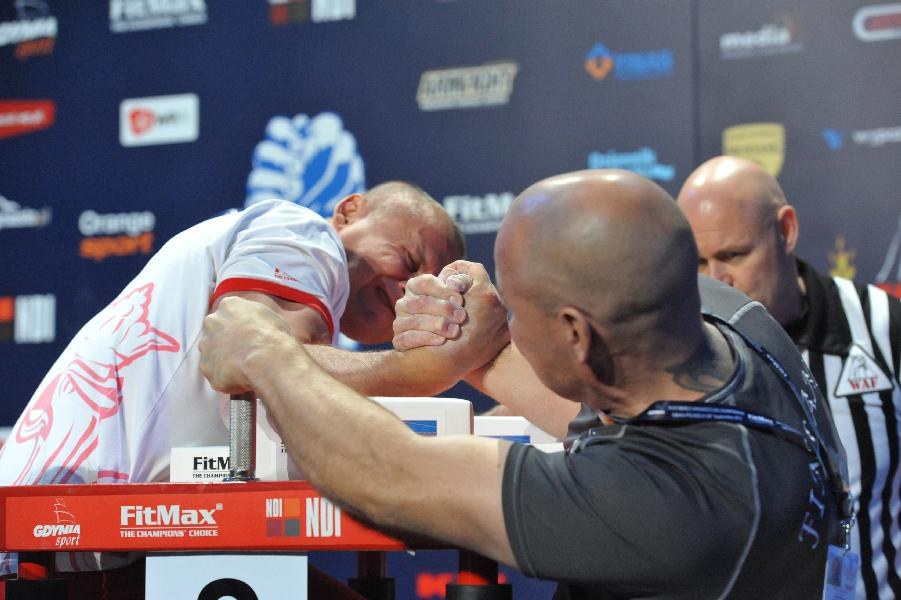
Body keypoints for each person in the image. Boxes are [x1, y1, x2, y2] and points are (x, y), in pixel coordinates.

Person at [200, 169, 849, 598]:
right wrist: (474, 347)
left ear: (576, 334)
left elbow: (389, 475)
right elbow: (616, 399)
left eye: (517, 310)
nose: (507, 319)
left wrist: (266, 355)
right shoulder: (743, 324)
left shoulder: (660, 507)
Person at [0, 180, 465, 581]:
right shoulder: (302, 232)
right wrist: (422, 372)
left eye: (429, 288)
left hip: (87, 542)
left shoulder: (317, 324)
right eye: (409, 260)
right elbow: (251, 358)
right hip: (51, 548)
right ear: (348, 211)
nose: (409, 290)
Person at [676, 155, 901, 599]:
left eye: (733, 255)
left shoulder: (883, 328)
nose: (716, 281)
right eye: (697, 263)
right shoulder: (671, 351)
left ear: (787, 230)